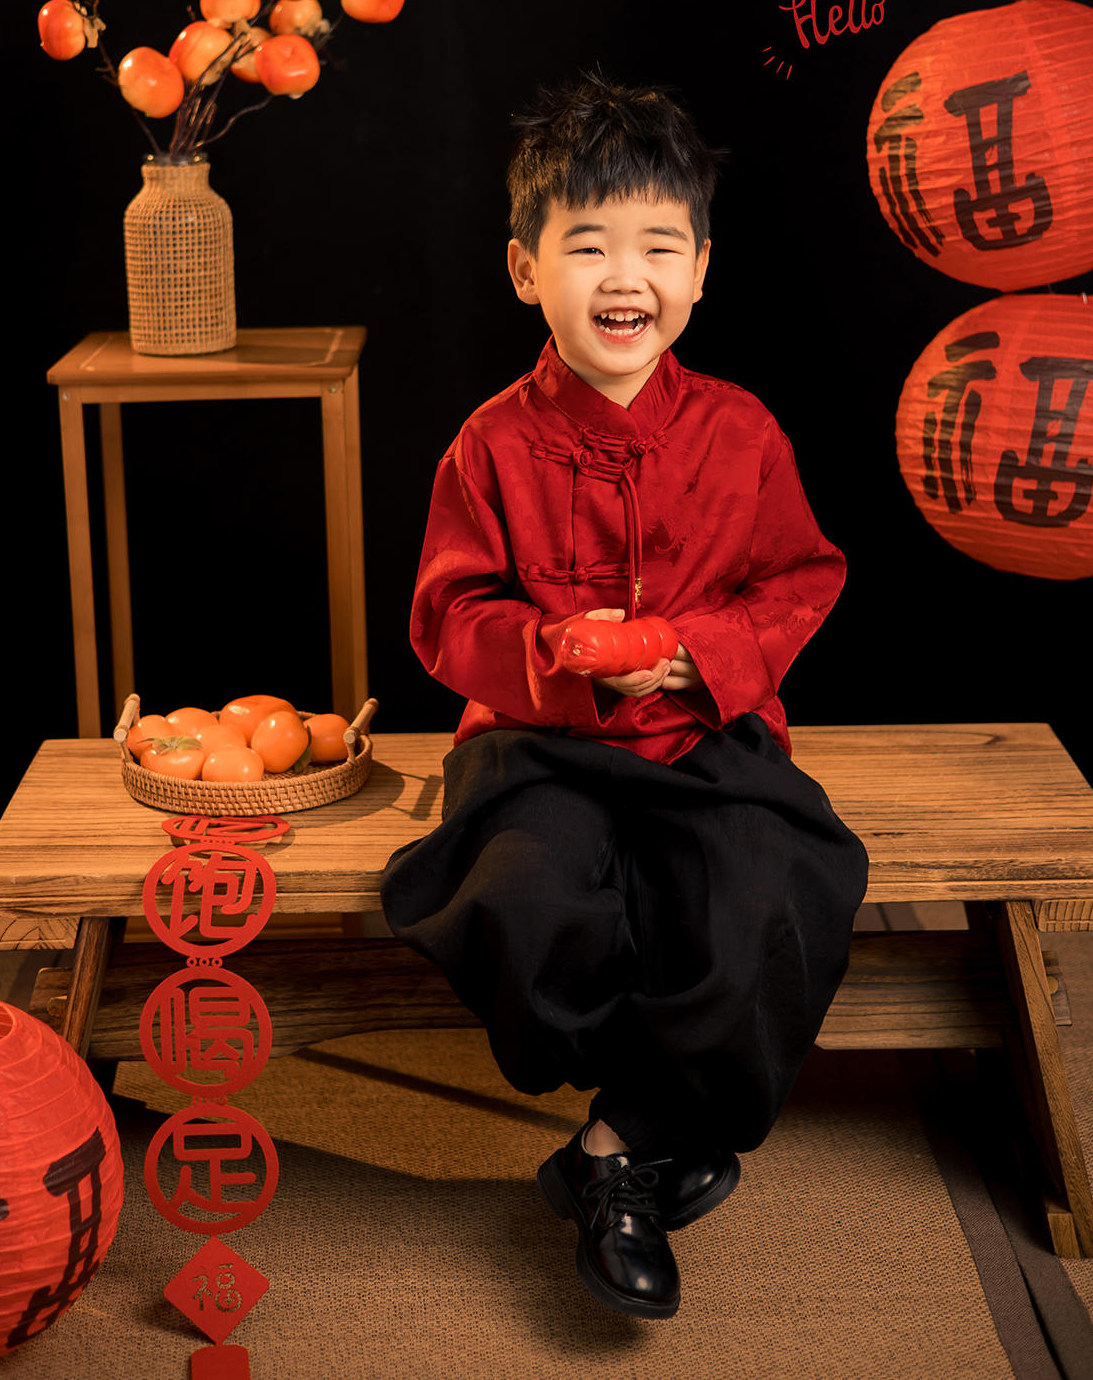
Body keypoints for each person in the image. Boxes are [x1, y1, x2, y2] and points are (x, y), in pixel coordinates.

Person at [380, 73, 869, 1320]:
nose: (624, 275)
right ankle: (655, 1123)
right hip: (537, 741)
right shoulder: (488, 442)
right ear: (523, 269)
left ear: (698, 269)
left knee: (773, 887)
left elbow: (801, 576)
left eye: (657, 245)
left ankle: (614, 1152)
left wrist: (698, 650)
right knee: (526, 896)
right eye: (587, 244)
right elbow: (446, 612)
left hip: (706, 732)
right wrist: (556, 647)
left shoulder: (742, 431)